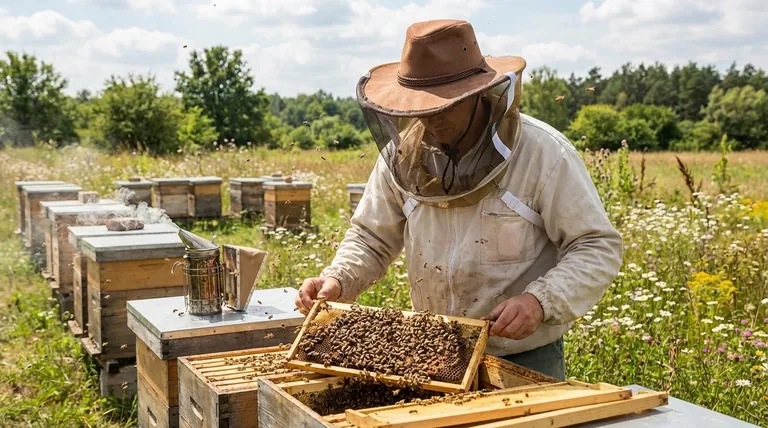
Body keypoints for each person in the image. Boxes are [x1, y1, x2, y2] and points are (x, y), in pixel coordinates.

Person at [295, 19, 623, 381]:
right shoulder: (404, 156)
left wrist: (539, 302)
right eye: (420, 106)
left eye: (442, 106)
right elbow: (372, 238)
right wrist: (339, 280)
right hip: (434, 357)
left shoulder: (544, 154)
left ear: (476, 94)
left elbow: (596, 245)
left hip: (524, 359)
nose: (430, 119)